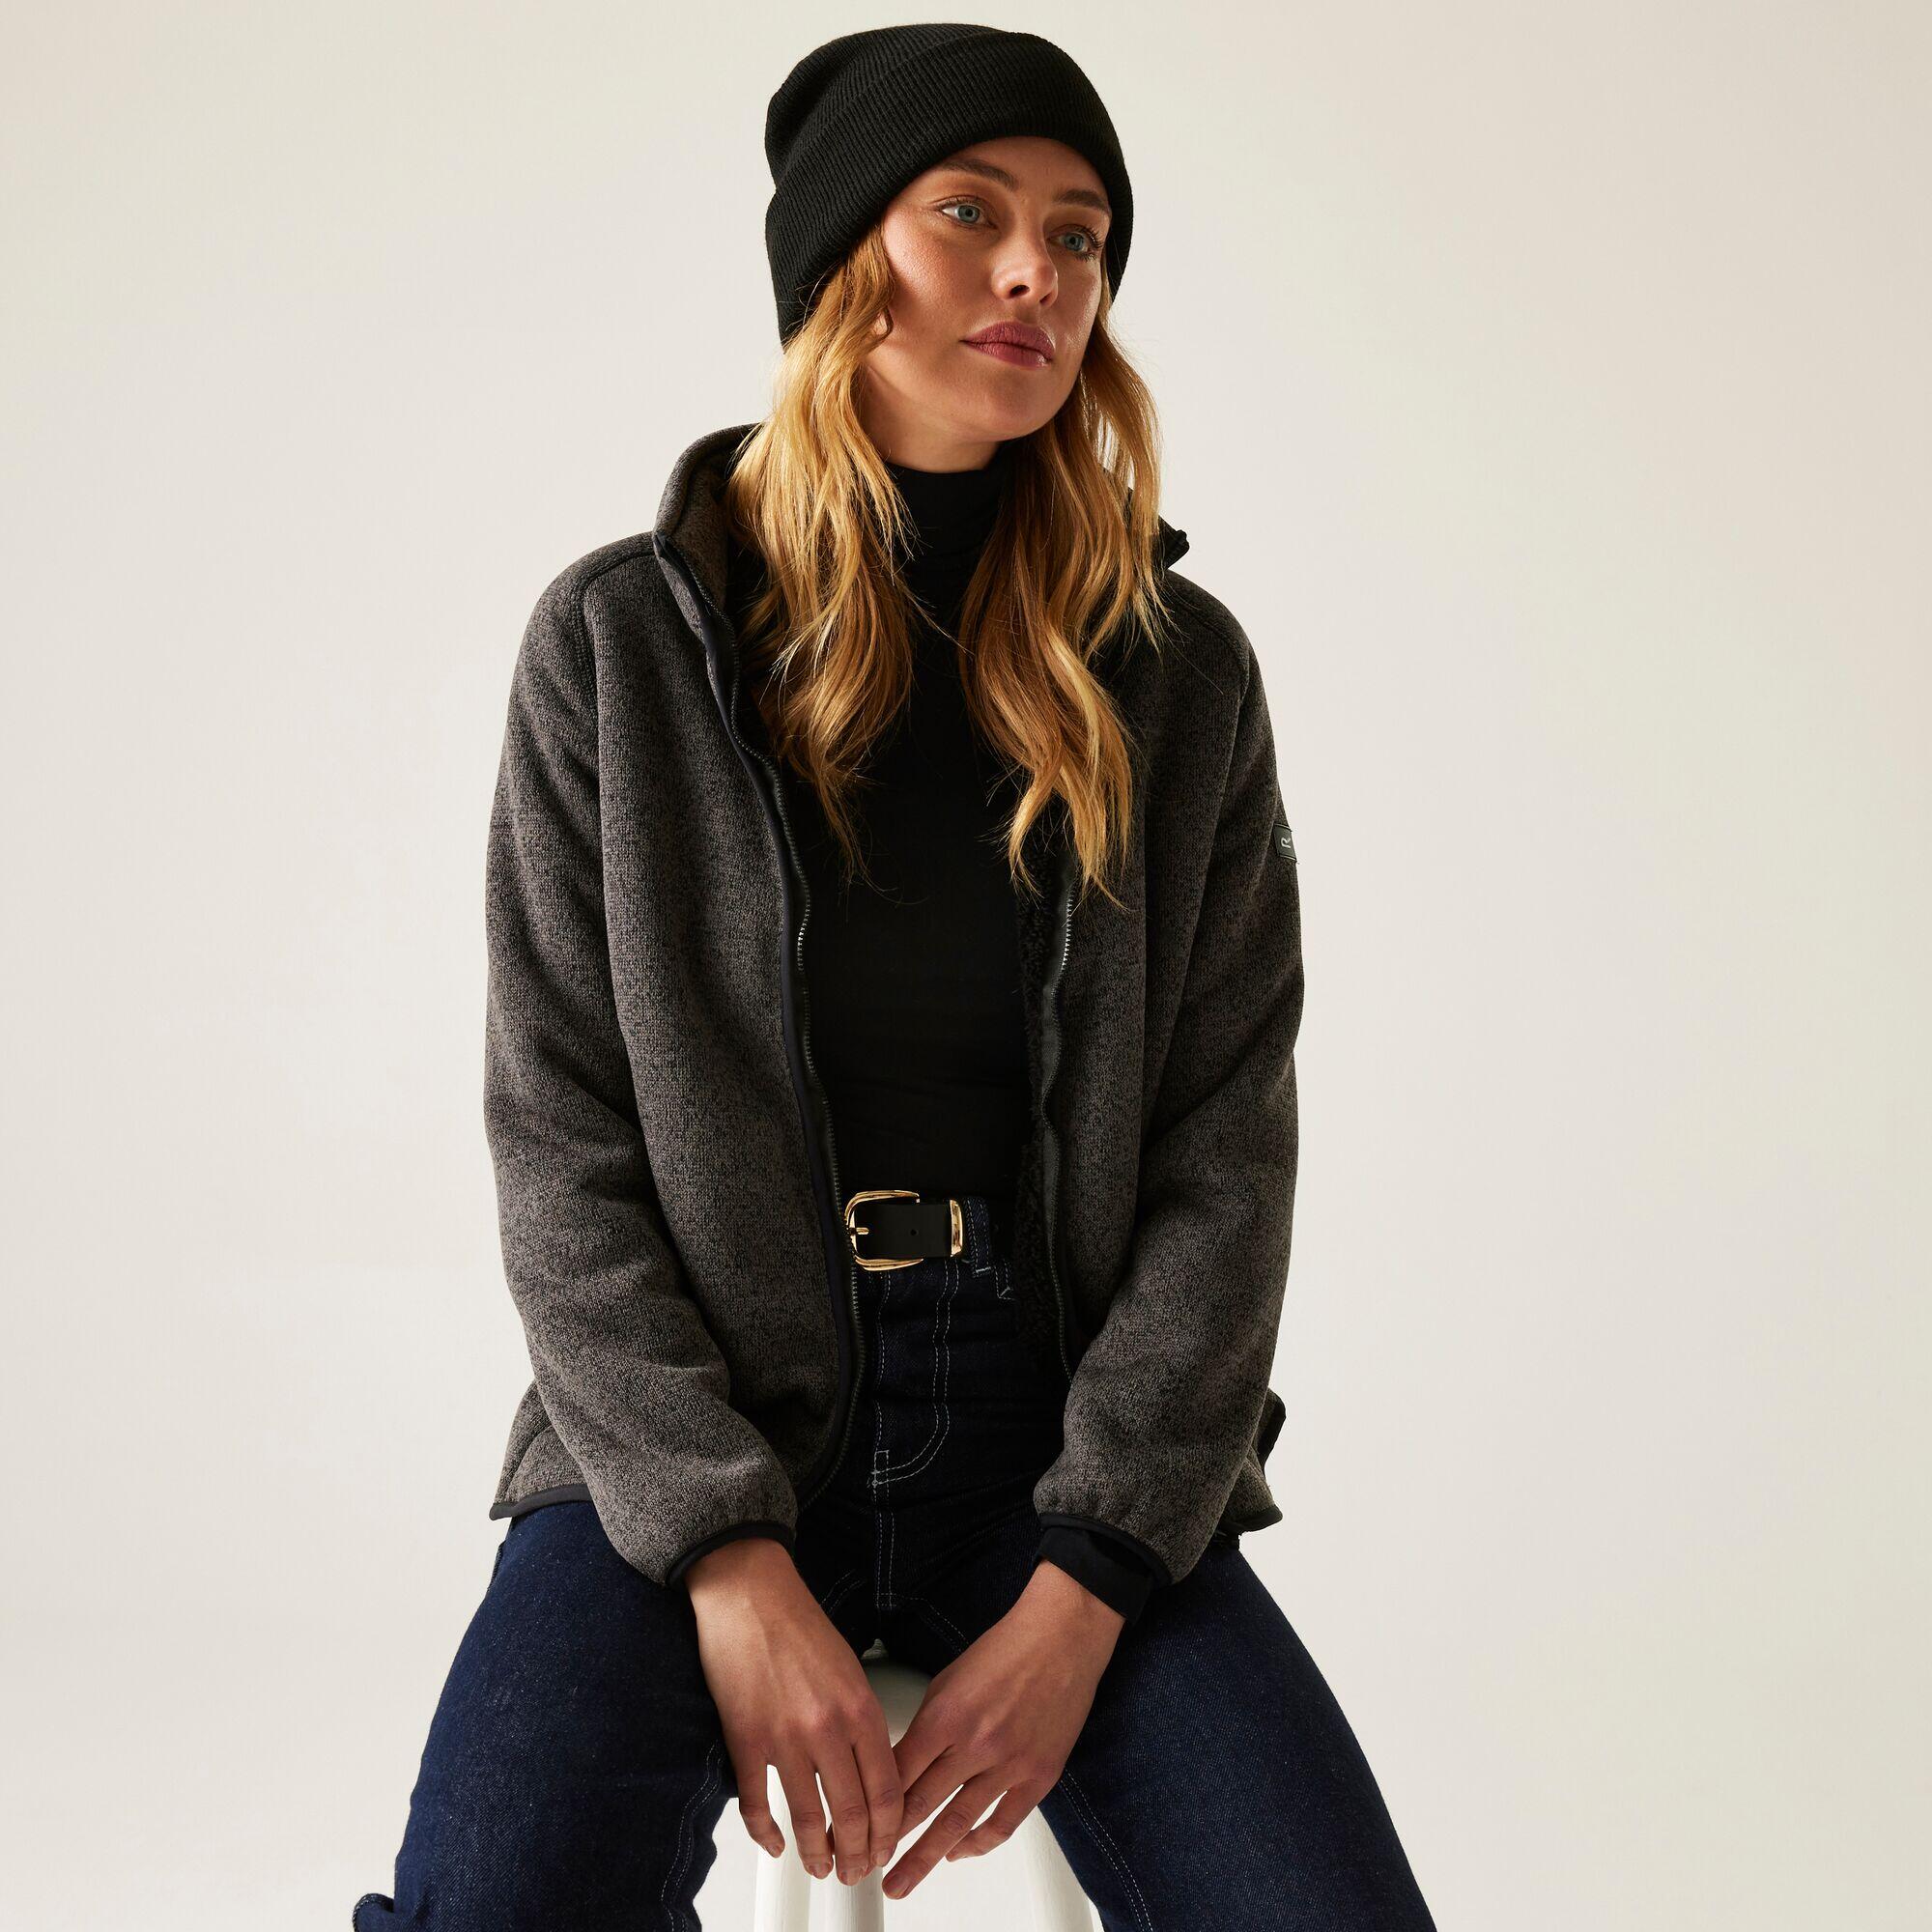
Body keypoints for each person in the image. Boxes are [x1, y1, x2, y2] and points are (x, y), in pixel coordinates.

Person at [354, 25, 1436, 1930]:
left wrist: (1092, 1577)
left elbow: (1222, 1161)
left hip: (1057, 1439)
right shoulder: (620, 647)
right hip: (693, 1418)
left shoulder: (1175, 676)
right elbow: (561, 1143)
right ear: (843, 258)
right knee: (494, 1904)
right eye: (970, 215)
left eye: (1080, 235)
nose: (1039, 274)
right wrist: (720, 1549)